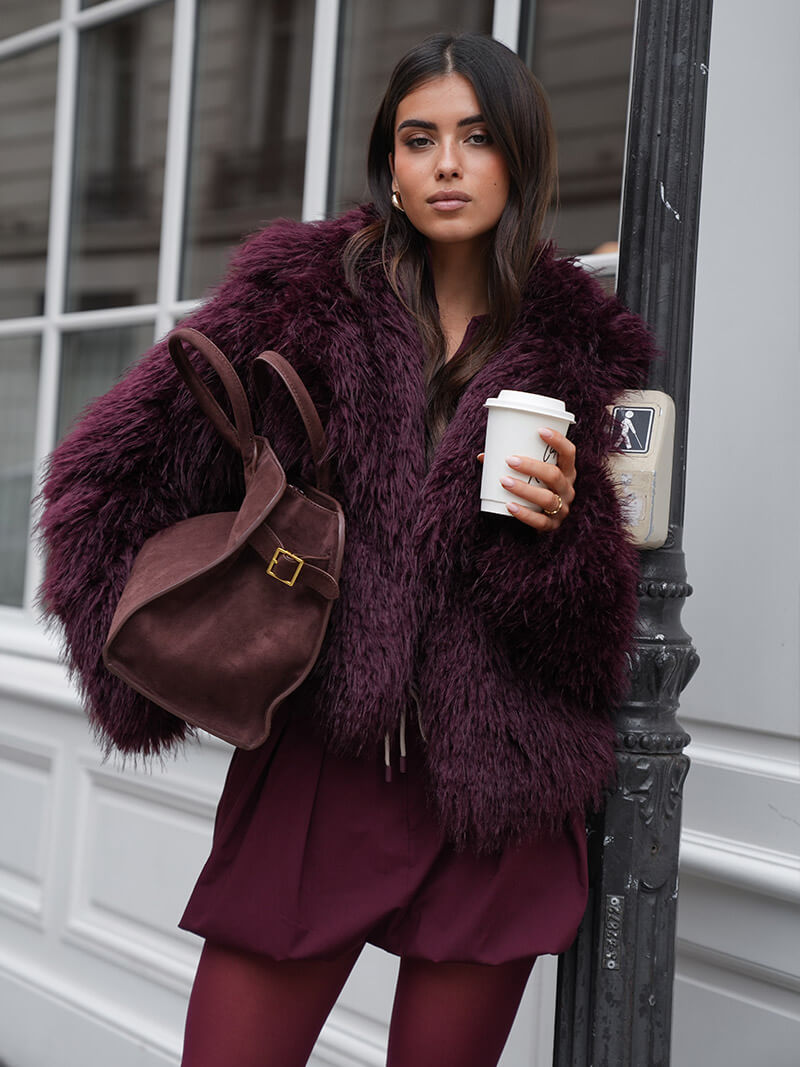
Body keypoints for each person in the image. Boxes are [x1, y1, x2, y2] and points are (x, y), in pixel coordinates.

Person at [39, 33, 657, 1067]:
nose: (446, 165)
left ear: (520, 158)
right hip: (322, 770)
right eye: (418, 139)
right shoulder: (301, 297)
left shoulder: (587, 350)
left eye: (475, 137)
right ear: (390, 162)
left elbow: (596, 642)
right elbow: (107, 477)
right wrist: (159, 653)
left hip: (496, 787)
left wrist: (562, 531)